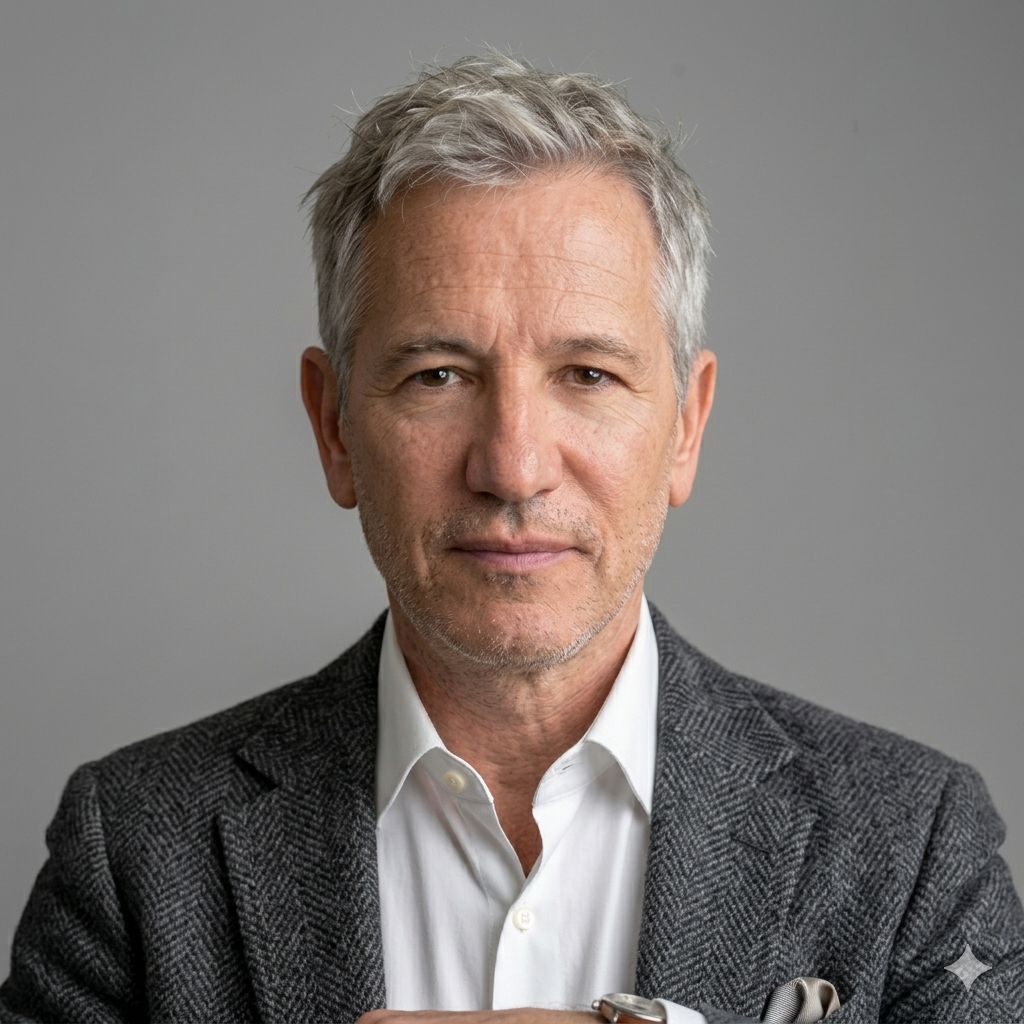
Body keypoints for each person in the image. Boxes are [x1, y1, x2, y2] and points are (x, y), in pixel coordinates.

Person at [1, 52, 1021, 1024]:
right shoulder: (134, 850)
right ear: (333, 427)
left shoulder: (910, 841)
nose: (513, 465)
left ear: (686, 427)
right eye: (438, 375)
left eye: (588, 374)